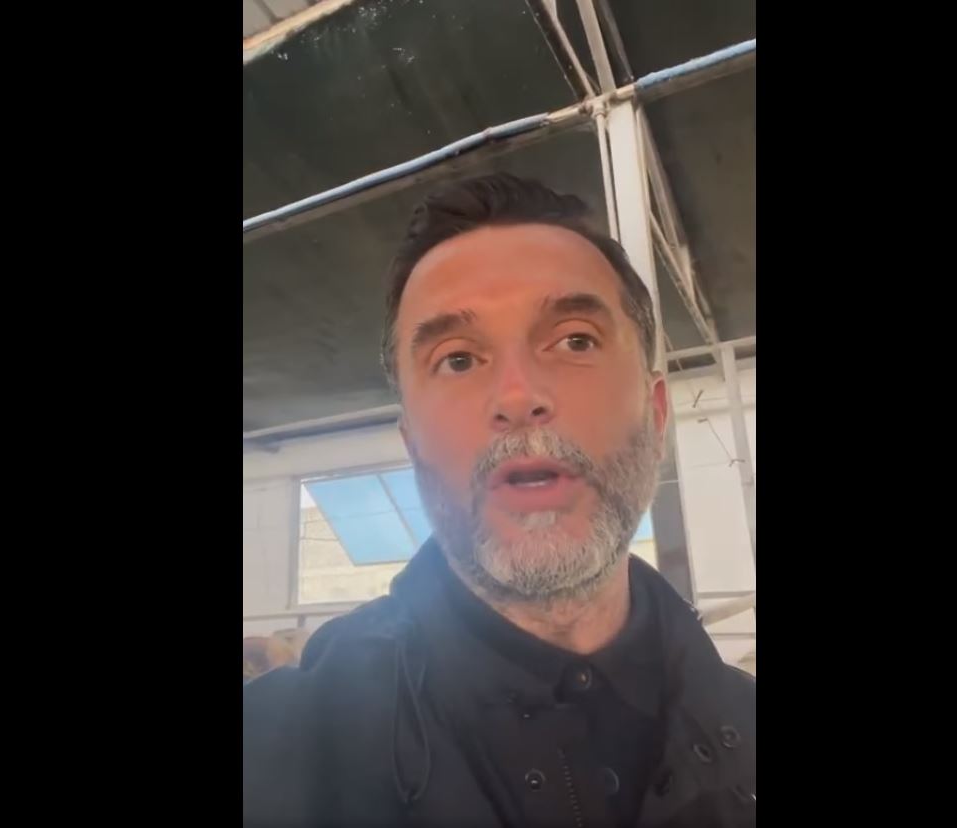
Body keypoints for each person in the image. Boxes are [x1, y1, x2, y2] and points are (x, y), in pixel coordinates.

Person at [243, 173, 755, 827]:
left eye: (575, 340)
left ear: (656, 415)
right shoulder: (273, 754)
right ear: (412, 442)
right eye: (458, 359)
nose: (518, 397)